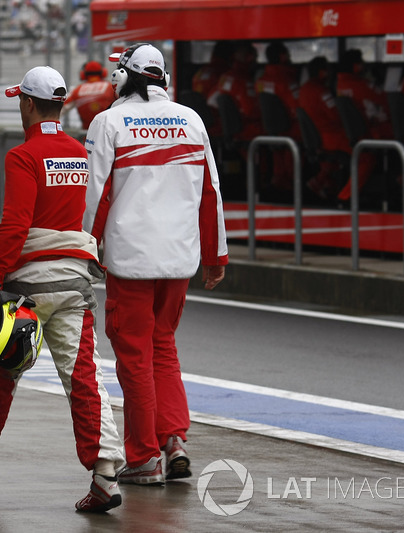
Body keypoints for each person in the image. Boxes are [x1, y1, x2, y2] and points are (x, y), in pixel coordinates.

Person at [0, 66, 126, 513]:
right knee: (83, 377)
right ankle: (104, 473)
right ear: (59, 104)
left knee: (0, 376)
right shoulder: (77, 154)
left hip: (25, 288)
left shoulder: (23, 156)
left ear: (26, 103)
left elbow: (15, 227)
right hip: (74, 283)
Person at [83, 44, 229, 486]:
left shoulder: (107, 122)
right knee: (163, 345)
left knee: (134, 355)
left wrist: (83, 248)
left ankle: (144, 457)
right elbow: (211, 191)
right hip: (180, 259)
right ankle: (174, 439)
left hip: (131, 260)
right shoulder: (192, 119)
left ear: (125, 77)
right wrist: (215, 254)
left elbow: (95, 193)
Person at [335, 49, 393, 201]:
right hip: (370, 132)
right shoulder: (360, 84)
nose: (363, 66)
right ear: (354, 66)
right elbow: (384, 99)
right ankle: (346, 197)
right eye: (360, 63)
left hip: (356, 132)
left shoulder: (340, 84)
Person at [298, 56, 352, 199]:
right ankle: (347, 195)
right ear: (322, 72)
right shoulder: (322, 91)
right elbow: (336, 115)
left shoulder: (303, 89)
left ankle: (326, 183)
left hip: (317, 136)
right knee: (364, 154)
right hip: (331, 137)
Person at [256, 41, 301, 192]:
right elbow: (297, 110)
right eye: (288, 54)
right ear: (282, 57)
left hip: (266, 130)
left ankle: (278, 179)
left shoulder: (260, 81)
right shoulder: (287, 82)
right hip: (290, 131)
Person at [207, 41, 262, 143]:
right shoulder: (243, 81)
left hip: (220, 127)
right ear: (249, 57)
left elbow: (211, 102)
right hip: (244, 131)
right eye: (255, 57)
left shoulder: (224, 78)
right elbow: (250, 111)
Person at [61, 60, 116, 129]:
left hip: (87, 134)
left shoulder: (77, 90)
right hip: (109, 131)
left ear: (83, 74)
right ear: (104, 72)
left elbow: (61, 109)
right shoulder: (111, 87)